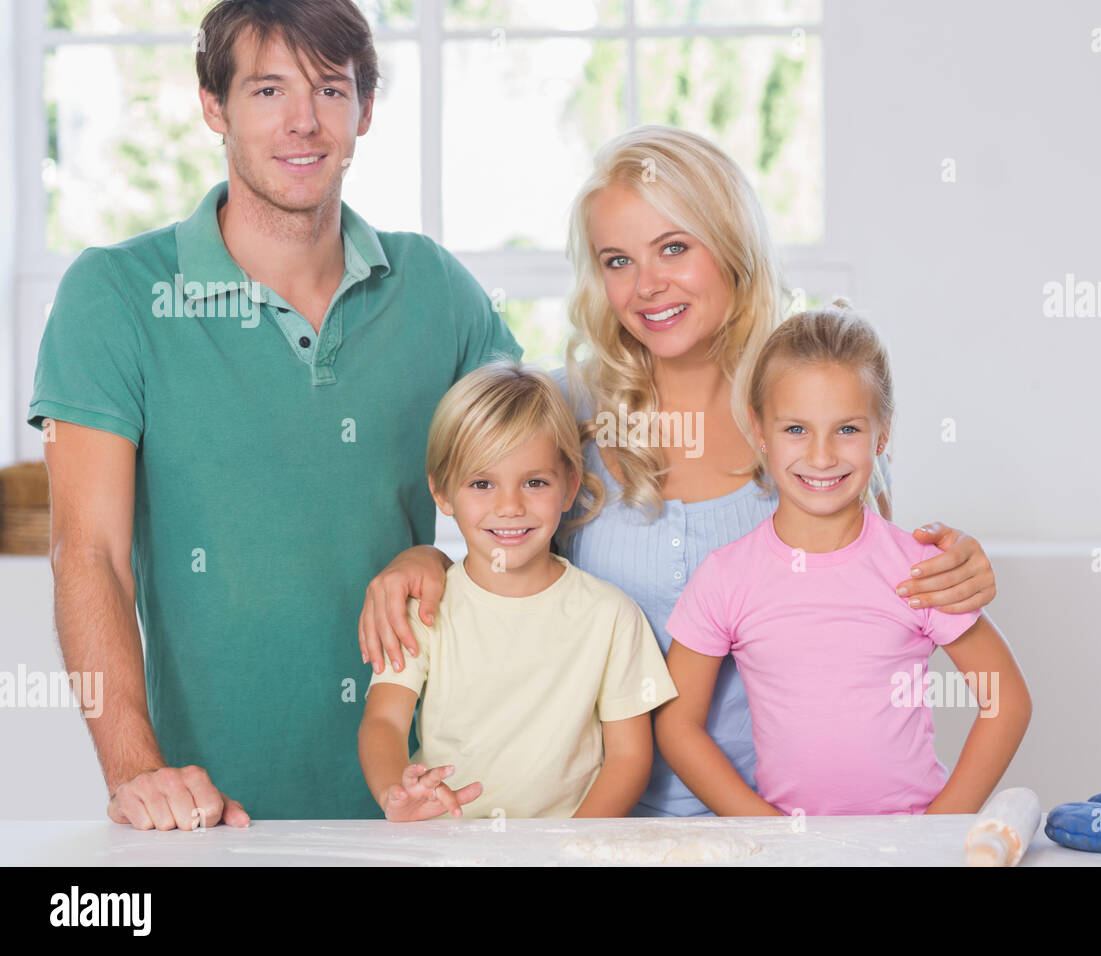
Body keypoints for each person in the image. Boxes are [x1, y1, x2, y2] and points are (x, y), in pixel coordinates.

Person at [358, 125, 1000, 817]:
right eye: (617, 260)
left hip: (773, 820)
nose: (646, 286)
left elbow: (872, 595)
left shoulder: (809, 417)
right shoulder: (562, 412)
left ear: (730, 245)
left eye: (673, 248)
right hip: (592, 818)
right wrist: (424, 556)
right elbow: (495, 530)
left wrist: (959, 569)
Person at [28, 0, 520, 827]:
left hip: (434, 803)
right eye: (267, 91)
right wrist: (137, 773)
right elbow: (91, 553)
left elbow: (536, 480)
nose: (304, 122)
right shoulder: (113, 295)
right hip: (213, 817)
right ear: (213, 105)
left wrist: (449, 561)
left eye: (331, 90)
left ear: (365, 110)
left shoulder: (434, 286)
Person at [655, 303, 1031, 815]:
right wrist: (769, 834)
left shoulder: (918, 568)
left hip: (907, 849)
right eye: (796, 430)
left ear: (884, 431)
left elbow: (1006, 700)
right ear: (759, 429)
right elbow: (677, 725)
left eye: (848, 429)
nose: (822, 455)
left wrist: (938, 832)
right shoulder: (726, 577)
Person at [359, 361, 676, 820]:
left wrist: (567, 849)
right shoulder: (424, 607)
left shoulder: (610, 615)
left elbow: (628, 759)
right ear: (443, 493)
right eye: (482, 483)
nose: (510, 506)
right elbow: (383, 721)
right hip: (446, 846)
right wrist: (396, 791)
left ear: (569, 488)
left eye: (535, 482)